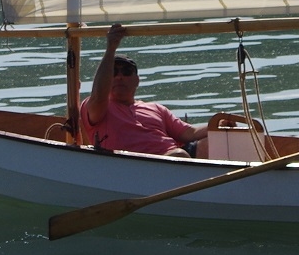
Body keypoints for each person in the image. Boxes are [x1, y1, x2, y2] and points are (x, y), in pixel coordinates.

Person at [81, 24, 207, 157]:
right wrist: (111, 48)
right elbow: (99, 96)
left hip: (174, 158)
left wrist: (220, 124)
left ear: (137, 80)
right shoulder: (99, 109)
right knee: (179, 155)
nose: (119, 77)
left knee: (212, 142)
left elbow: (190, 133)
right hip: (136, 166)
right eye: (113, 72)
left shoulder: (156, 109)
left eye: (126, 72)